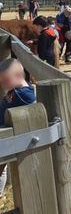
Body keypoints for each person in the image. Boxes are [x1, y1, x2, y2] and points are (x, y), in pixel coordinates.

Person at [0, 58, 36, 196]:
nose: (3, 85)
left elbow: (35, 105)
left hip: (7, 136)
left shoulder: (24, 94)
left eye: (5, 81)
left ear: (18, 76)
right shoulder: (15, 91)